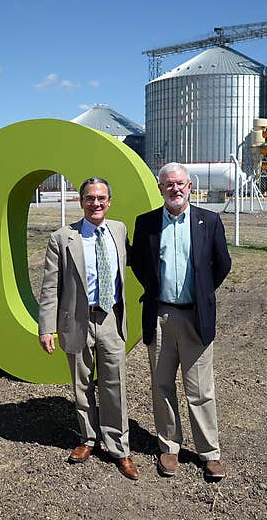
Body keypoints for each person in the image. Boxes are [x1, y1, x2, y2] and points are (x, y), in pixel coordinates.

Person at [130, 162, 232, 481]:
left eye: (180, 183)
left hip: (195, 316)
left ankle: (209, 453)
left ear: (190, 186)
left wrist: (200, 293)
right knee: (161, 386)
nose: (175, 189)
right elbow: (140, 266)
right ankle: (169, 447)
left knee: (200, 389)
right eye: (168, 184)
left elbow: (222, 265)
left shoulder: (209, 221)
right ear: (160, 189)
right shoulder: (146, 223)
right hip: (159, 315)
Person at [38, 177, 139, 481]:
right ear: (80, 202)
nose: (96, 203)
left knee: (115, 385)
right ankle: (88, 439)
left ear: (109, 202)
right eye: (90, 198)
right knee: (82, 385)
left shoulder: (119, 231)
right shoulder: (62, 238)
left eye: (101, 198)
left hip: (111, 319)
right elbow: (50, 287)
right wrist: (46, 327)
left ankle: (119, 448)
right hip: (77, 320)